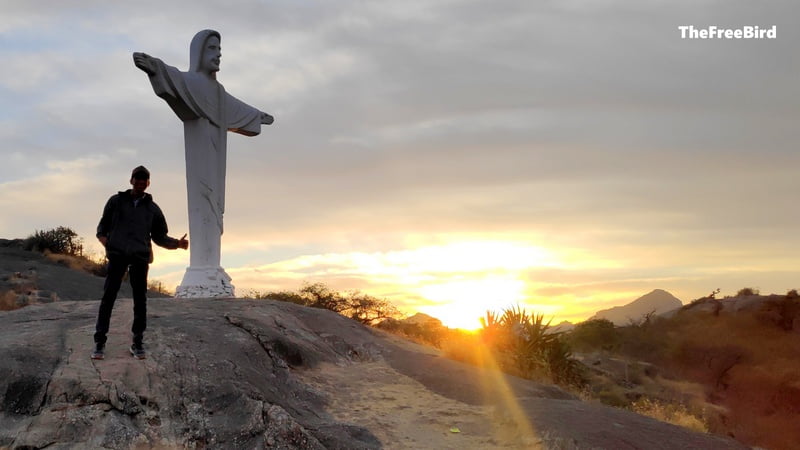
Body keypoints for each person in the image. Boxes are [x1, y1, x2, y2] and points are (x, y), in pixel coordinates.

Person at [133, 30, 273, 298]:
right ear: (199, 54)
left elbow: (238, 108)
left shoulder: (219, 93)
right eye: (212, 48)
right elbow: (171, 78)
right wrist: (154, 67)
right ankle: (201, 270)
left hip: (216, 159)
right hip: (199, 160)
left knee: (214, 210)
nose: (218, 54)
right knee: (202, 202)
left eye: (219, 49)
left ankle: (212, 269)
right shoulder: (190, 84)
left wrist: (258, 115)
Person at [92, 166, 188, 360]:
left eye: (144, 180)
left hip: (140, 257)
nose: (140, 183)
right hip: (118, 255)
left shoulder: (152, 209)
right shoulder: (116, 201)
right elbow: (102, 227)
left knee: (140, 300)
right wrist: (107, 242)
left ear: (148, 183)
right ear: (131, 180)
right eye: (137, 179)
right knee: (108, 297)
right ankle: (99, 343)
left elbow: (159, 237)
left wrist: (176, 244)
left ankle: (137, 342)